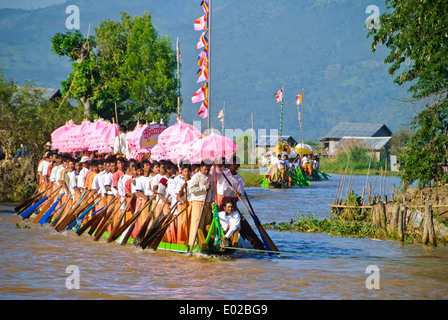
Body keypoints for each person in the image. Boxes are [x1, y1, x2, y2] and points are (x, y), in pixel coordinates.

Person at [187, 161, 216, 249]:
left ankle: (205, 243)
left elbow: (214, 191)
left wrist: (213, 200)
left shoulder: (211, 177)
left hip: (208, 203)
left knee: (207, 224)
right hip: (198, 202)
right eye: (205, 169)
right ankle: (194, 244)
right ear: (200, 167)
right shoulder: (196, 177)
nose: (207, 171)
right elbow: (192, 189)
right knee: (197, 224)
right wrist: (204, 188)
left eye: (208, 169)